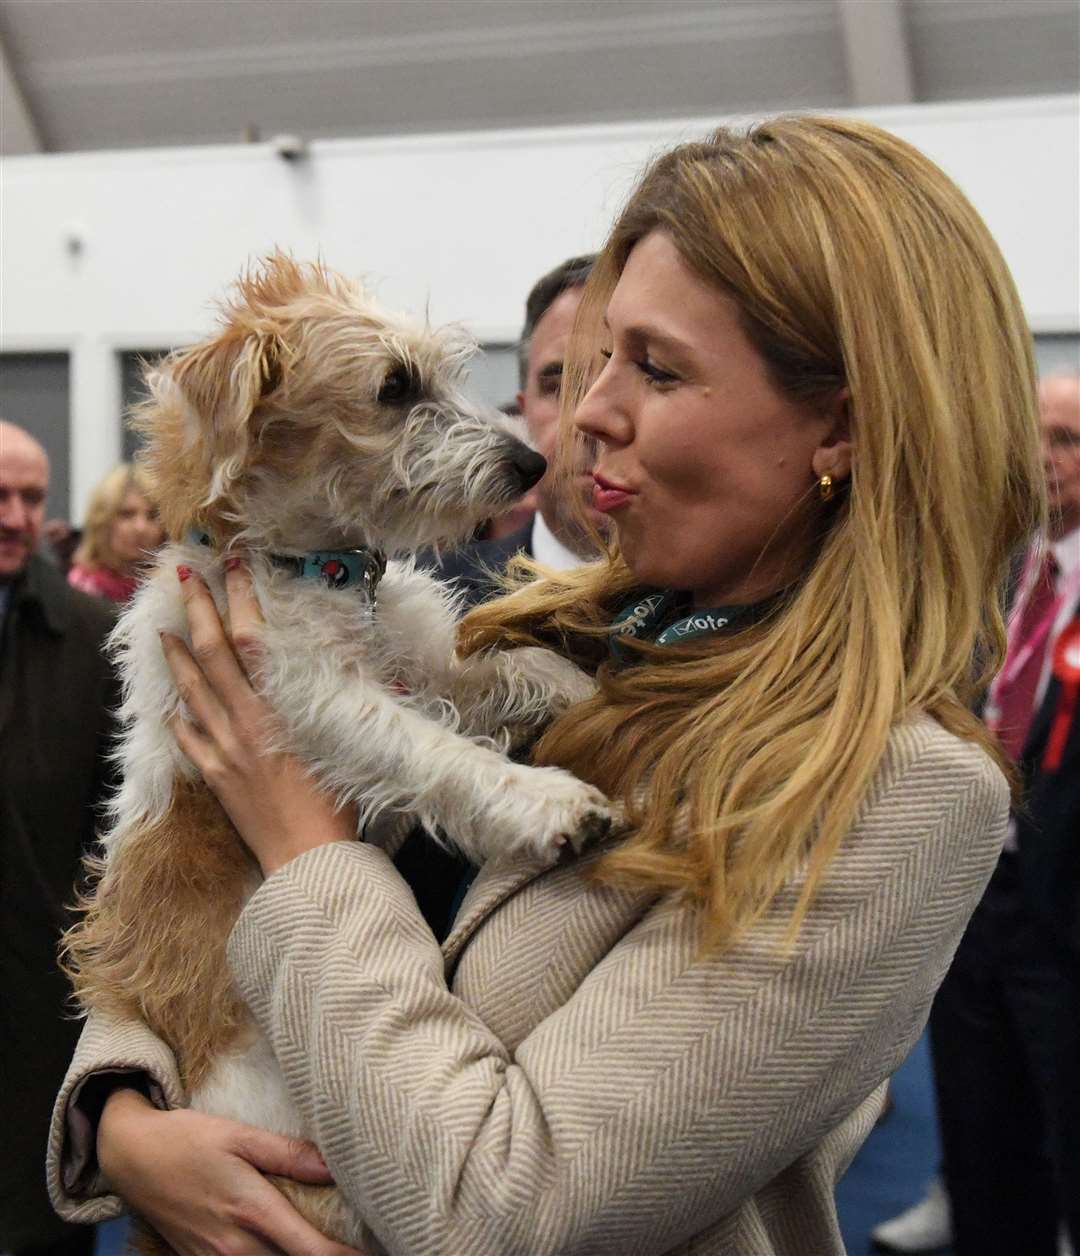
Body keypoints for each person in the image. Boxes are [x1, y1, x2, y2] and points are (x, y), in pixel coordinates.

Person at [47, 117, 1043, 1256]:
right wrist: (128, 1114)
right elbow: (166, 875)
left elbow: (506, 1210)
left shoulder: (896, 785)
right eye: (591, 361)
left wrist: (303, 845)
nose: (584, 416)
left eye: (656, 369)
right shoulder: (534, 625)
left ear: (843, 427)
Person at [925, 372, 1080, 1256]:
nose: (1046, 462)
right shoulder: (1007, 567)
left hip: (1064, 912)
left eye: (1068, 442)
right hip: (975, 894)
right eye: (1037, 439)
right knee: (983, 1141)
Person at [0, 421, 117, 1256]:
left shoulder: (90, 639)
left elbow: (113, 842)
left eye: (31, 497)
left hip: (40, 1013)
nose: (14, 516)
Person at [436, 254, 602, 604]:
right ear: (523, 413)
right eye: (558, 387)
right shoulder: (432, 605)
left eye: (647, 376)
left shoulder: (736, 610)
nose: (590, 418)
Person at [67, 463, 163, 604]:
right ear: (102, 522)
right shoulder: (79, 590)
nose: (140, 527)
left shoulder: (173, 590)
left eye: (152, 516)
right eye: (127, 515)